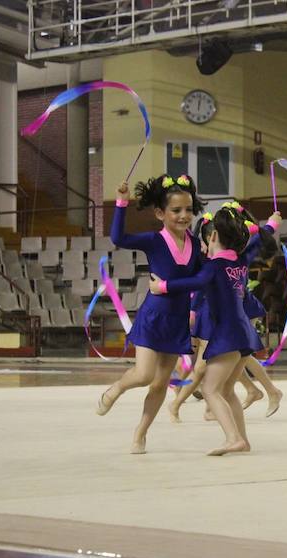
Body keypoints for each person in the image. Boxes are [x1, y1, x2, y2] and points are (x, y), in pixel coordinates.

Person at [150, 203, 279, 455]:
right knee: (227, 389)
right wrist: (272, 223)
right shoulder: (242, 259)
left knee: (210, 389)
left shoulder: (212, 266)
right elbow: (259, 237)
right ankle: (242, 439)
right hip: (244, 333)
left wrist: (162, 286)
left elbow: (193, 282)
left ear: (213, 236)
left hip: (226, 334)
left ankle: (233, 438)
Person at [97, 174, 204, 455]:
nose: (184, 216)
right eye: (176, 210)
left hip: (177, 322)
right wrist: (121, 203)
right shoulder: (155, 241)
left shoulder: (196, 246)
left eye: (189, 210)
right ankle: (117, 388)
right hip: (153, 317)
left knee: (159, 384)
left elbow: (202, 279)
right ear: (160, 213)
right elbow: (118, 237)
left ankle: (140, 434)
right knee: (144, 375)